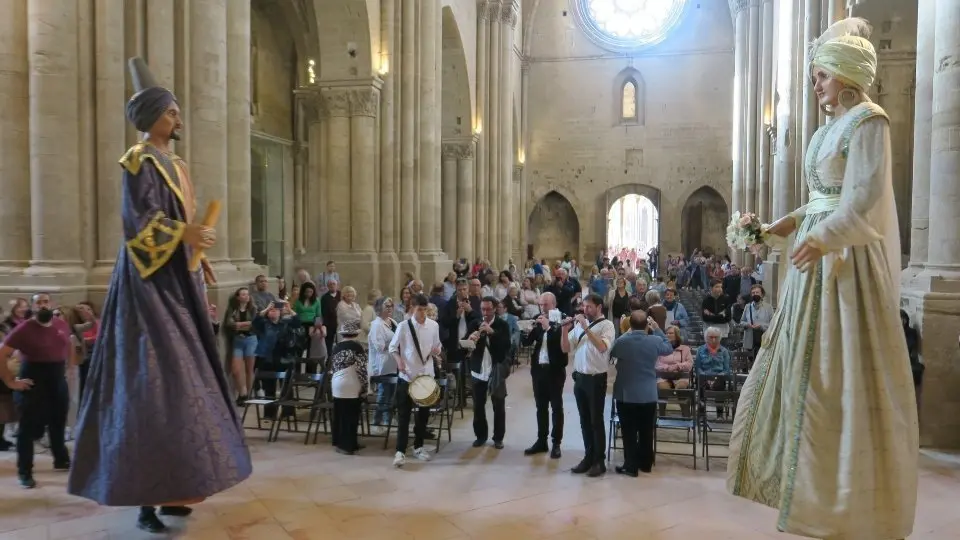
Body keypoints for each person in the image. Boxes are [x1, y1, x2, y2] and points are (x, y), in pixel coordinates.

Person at [726, 18, 918, 540]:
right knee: (805, 376)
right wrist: (771, 230)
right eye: (814, 76)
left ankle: (846, 496)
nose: (816, 85)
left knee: (840, 374)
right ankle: (810, 489)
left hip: (844, 268)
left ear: (847, 74)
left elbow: (863, 201)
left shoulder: (869, 122)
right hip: (814, 267)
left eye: (822, 76)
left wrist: (823, 237)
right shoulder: (822, 131)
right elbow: (815, 203)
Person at [68, 58, 252, 533]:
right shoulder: (138, 161)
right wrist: (185, 234)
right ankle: (145, 501)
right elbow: (140, 225)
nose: (178, 120)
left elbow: (183, 222)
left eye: (176, 112)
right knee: (150, 385)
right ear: (149, 117)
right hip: (148, 286)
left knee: (184, 389)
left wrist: (199, 249)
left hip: (179, 280)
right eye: (170, 112)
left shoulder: (178, 164)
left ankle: (175, 487)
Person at [0, 293, 75, 488]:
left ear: (52, 304)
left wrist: (70, 369)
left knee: (58, 421)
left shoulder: (61, 324)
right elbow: (2, 354)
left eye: (45, 301)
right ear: (32, 308)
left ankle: (61, 459)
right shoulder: (24, 329)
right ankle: (24, 471)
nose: (42, 305)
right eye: (38, 302)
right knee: (28, 428)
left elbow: (70, 344)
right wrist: (10, 381)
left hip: (56, 378)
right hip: (33, 378)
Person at [608, 311, 674, 476]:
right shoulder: (655, 340)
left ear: (630, 325)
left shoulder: (622, 341)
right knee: (646, 430)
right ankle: (645, 463)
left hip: (626, 393)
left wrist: (627, 332)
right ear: (647, 325)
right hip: (648, 393)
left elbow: (613, 352)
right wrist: (658, 329)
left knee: (628, 430)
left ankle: (630, 465)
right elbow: (669, 348)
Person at [561, 292, 616, 478]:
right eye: (584, 307)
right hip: (580, 378)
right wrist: (564, 329)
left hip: (596, 379)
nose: (585, 310)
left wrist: (585, 328)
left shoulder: (607, 325)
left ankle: (599, 461)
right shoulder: (578, 326)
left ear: (599, 307)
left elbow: (602, 347)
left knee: (595, 420)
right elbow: (566, 348)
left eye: (589, 307)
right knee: (584, 421)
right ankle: (588, 456)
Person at [388, 294, 442, 468]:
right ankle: (400, 451)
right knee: (404, 415)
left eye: (425, 309)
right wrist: (399, 361)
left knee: (423, 415)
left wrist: (436, 350)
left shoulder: (433, 326)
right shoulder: (404, 326)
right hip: (407, 376)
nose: (423, 313)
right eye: (420, 309)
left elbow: (438, 346)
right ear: (412, 308)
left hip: (426, 376)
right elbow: (392, 348)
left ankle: (418, 447)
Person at [523, 292, 568, 459]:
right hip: (539, 370)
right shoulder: (538, 317)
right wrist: (527, 331)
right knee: (540, 407)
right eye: (541, 305)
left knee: (556, 407)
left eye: (546, 305)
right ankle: (542, 441)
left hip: (555, 370)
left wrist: (548, 326)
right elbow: (527, 342)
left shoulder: (563, 319)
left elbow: (563, 343)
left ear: (554, 304)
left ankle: (556, 443)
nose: (542, 308)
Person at [466, 297, 511, 449]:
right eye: (483, 309)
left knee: (498, 405)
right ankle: (480, 436)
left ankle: (498, 438)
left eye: (488, 309)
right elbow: (465, 343)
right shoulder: (475, 323)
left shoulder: (502, 325)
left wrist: (492, 332)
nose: (485, 312)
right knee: (478, 406)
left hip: (495, 370)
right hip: (478, 370)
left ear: (495, 309)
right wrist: (470, 340)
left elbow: (507, 346)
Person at [330, 321, 368, 455]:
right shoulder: (357, 347)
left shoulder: (336, 347)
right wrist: (365, 387)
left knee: (340, 414)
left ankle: (340, 442)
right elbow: (362, 369)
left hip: (336, 383)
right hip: (351, 383)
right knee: (351, 415)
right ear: (355, 334)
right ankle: (348, 445)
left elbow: (330, 366)